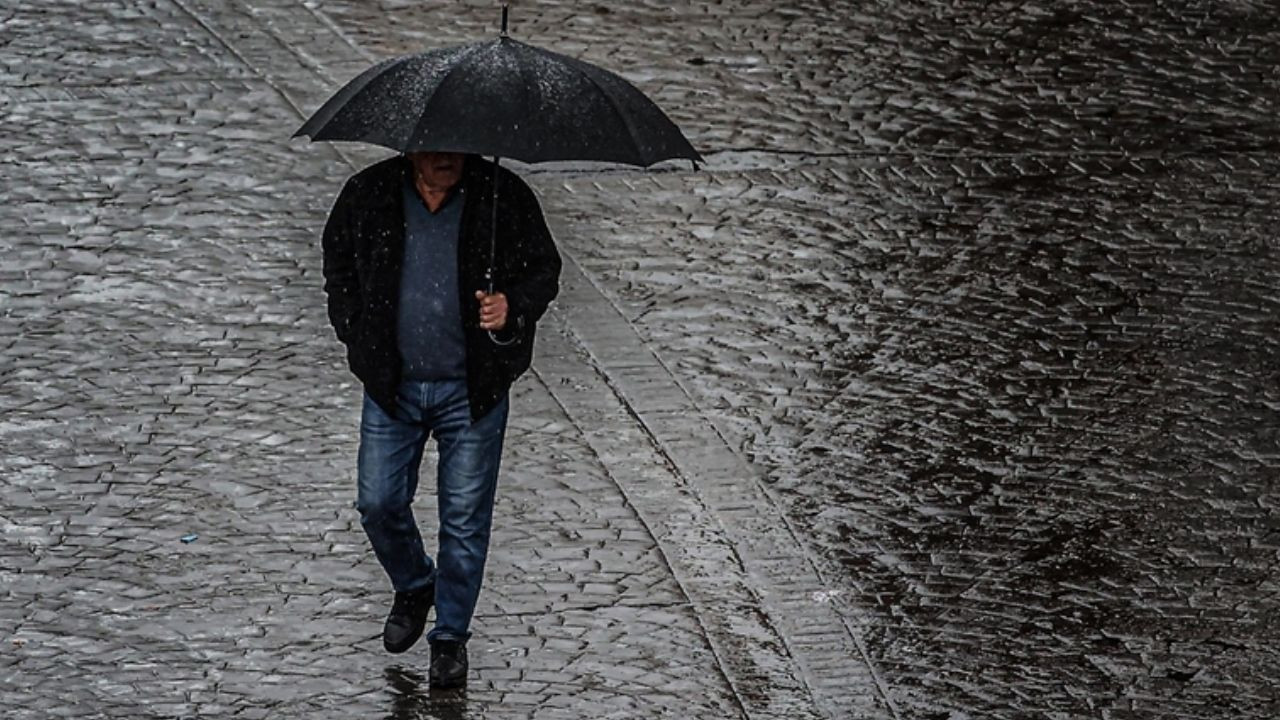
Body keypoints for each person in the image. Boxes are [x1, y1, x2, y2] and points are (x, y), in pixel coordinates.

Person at [321, 151, 561, 688]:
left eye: (456, 146)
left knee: (464, 520)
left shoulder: (503, 196)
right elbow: (337, 264)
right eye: (434, 146)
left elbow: (545, 270)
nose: (445, 157)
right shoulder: (370, 194)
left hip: (471, 390)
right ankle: (414, 583)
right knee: (378, 500)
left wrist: (512, 305)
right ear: (411, 148)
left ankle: (450, 638)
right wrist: (356, 335)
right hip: (392, 388)